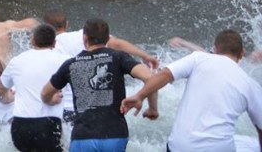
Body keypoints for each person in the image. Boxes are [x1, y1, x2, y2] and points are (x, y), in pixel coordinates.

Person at [121, 29, 262, 152]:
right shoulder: (250, 84)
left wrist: (140, 95)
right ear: (242, 53)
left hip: (181, 147)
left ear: (215, 49)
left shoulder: (199, 58)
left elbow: (165, 75)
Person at [41, 18, 159, 152]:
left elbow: (45, 93)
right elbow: (151, 78)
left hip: (83, 137)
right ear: (108, 38)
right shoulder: (119, 57)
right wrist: (152, 108)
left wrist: (50, 101)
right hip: (114, 135)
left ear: (85, 38)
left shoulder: (70, 64)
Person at [0, 24, 69, 152]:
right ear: (54, 43)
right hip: (48, 124)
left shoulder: (16, 61)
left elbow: (0, 89)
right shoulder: (65, 61)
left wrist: (7, 99)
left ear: (32, 40)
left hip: (20, 125)